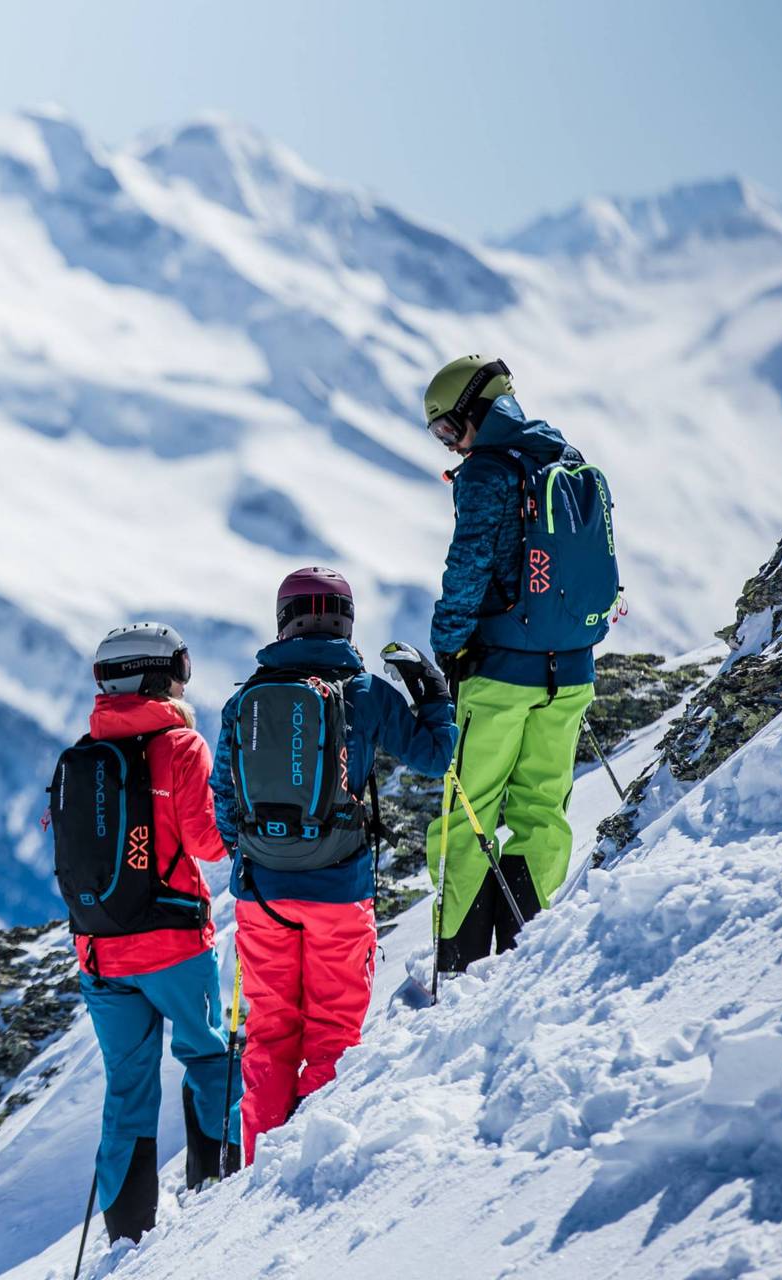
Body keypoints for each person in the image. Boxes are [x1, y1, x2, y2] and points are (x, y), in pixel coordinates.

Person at [209, 569, 456, 1158]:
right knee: (333, 1040)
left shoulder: (244, 701)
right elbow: (435, 757)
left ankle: (255, 1174)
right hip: (340, 893)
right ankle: (311, 1164)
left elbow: (222, 797)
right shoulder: (366, 692)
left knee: (268, 1039)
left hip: (263, 895)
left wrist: (253, 855)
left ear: (283, 620)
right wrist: (434, 695)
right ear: (346, 621)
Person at [421, 355, 617, 974]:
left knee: (468, 810)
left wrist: (448, 643)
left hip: (502, 672)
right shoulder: (566, 460)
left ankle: (458, 958)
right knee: (541, 806)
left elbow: (469, 567)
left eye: (449, 430)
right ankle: (526, 952)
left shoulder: (488, 472)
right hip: (571, 673)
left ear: (478, 410)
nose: (452, 444)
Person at [58, 622, 239, 1245]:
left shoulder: (82, 754)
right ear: (161, 674)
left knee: (127, 1088)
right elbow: (207, 842)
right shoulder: (180, 747)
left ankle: (125, 1234)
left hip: (98, 954)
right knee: (209, 1057)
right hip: (171, 946)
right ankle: (219, 1198)